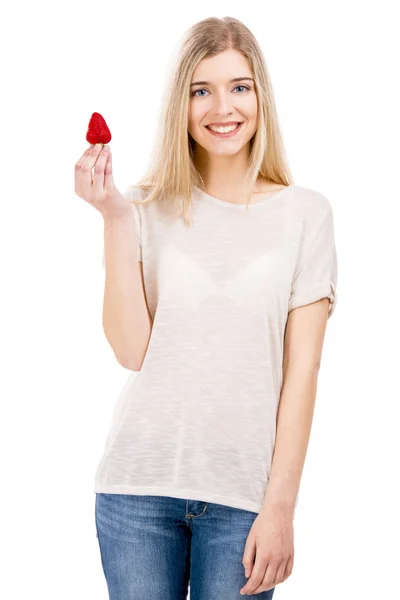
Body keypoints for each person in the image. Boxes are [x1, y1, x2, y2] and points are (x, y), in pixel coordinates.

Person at [74, 16, 338, 600]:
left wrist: (281, 508)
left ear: (260, 95)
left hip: (244, 503)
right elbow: (131, 350)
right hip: (135, 492)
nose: (223, 107)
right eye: (202, 90)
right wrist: (115, 219)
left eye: (239, 86)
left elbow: (303, 374)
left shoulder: (305, 215)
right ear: (182, 104)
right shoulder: (142, 206)